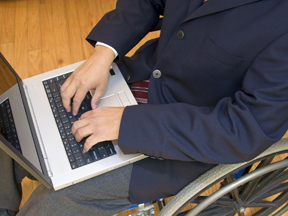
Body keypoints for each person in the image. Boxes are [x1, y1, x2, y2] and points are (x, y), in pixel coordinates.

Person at [1, 0, 288, 215]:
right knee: (16, 118)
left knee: (54, 203)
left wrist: (128, 124)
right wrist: (104, 53)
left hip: (188, 136)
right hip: (139, 75)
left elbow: (247, 127)